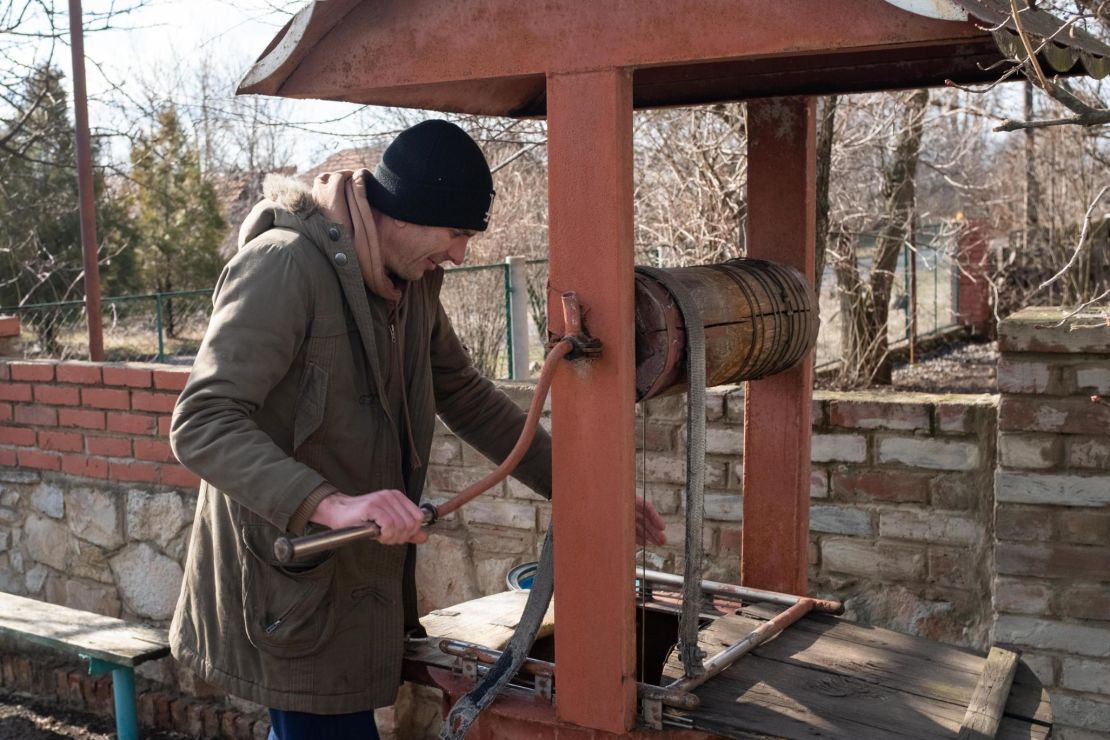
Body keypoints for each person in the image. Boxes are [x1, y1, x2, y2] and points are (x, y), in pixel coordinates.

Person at [168, 120, 666, 740]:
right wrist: (331, 504)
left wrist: (584, 489)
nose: (459, 255)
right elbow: (202, 423)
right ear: (404, 212)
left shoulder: (413, 282)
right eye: (455, 233)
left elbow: (466, 395)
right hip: (287, 578)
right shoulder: (282, 267)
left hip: (352, 574)